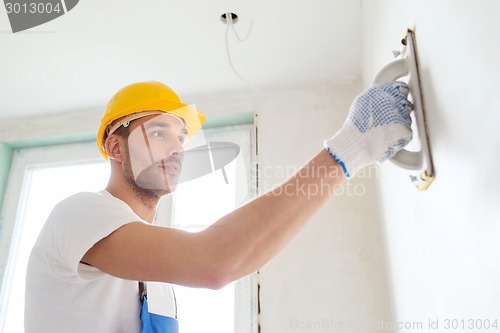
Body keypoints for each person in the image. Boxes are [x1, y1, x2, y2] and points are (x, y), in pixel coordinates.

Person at [24, 80, 412, 332]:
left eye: (181, 137)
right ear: (114, 148)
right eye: (158, 132)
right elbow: (214, 261)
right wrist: (347, 151)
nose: (177, 147)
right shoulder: (79, 213)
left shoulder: (154, 277)